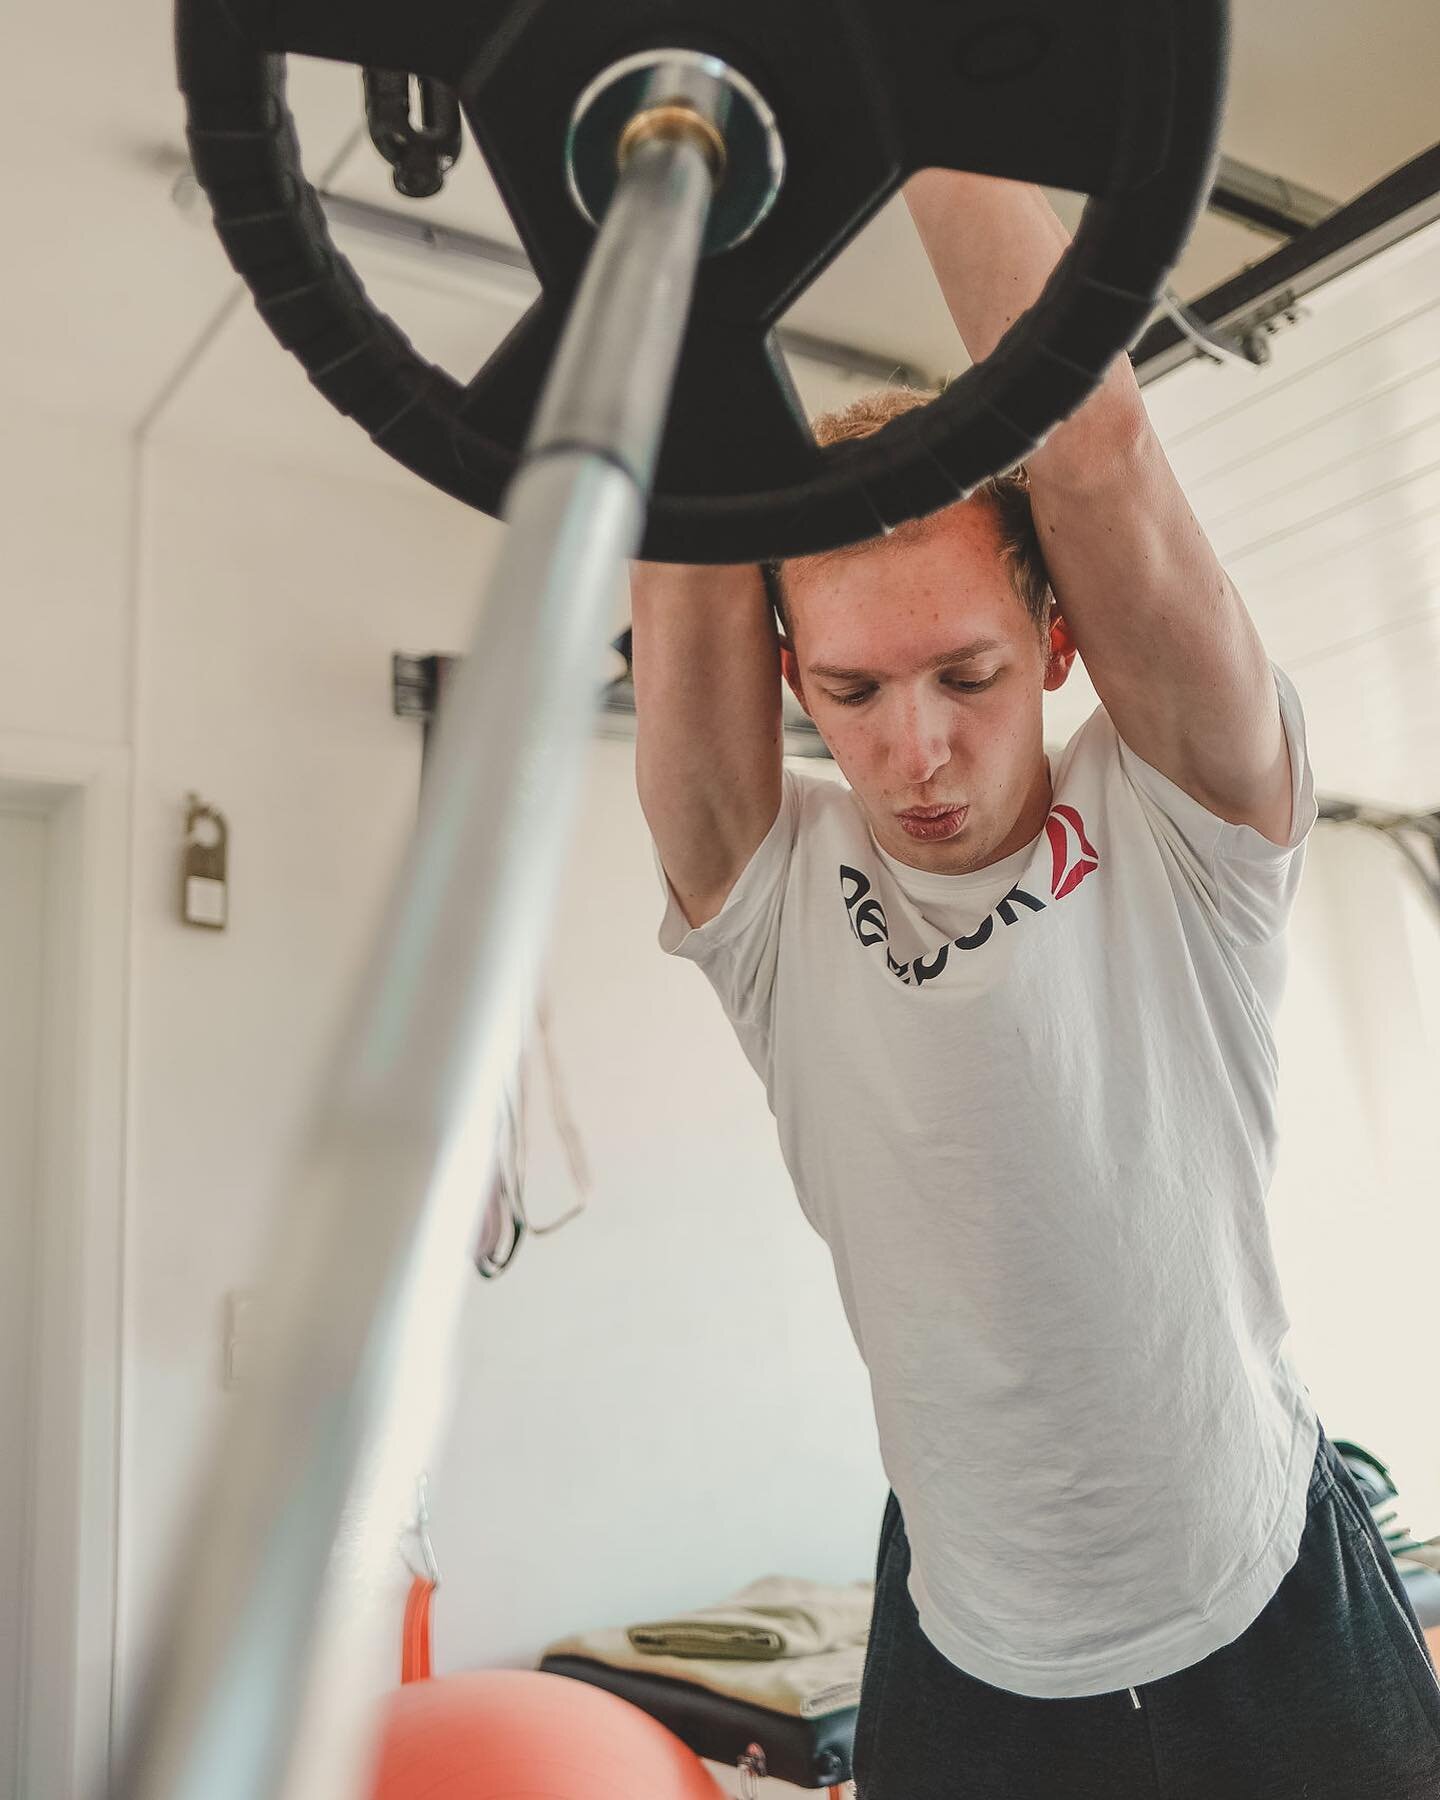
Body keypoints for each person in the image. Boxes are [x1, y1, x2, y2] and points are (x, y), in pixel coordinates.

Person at [629, 173, 1440, 1796]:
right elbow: (678, 538)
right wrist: (676, 167)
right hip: (967, 1652)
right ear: (793, 678)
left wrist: (934, 110)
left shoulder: (1185, 817)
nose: (913, 749)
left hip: (1270, 1594)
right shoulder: (772, 891)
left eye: (968, 675)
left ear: (1054, 643)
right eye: (853, 691)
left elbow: (1099, 455)